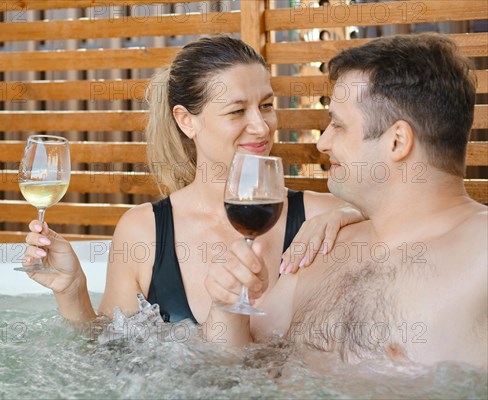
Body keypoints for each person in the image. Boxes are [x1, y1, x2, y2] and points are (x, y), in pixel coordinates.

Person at [22, 36, 365, 325]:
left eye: (266, 105)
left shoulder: (321, 218)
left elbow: (409, 223)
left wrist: (349, 215)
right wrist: (72, 290)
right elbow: (107, 356)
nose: (261, 126)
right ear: (186, 121)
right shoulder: (144, 232)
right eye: (236, 111)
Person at [204, 33, 487, 368]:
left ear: (397, 141)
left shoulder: (480, 254)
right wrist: (227, 304)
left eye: (337, 124)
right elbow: (234, 368)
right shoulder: (321, 247)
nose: (322, 143)